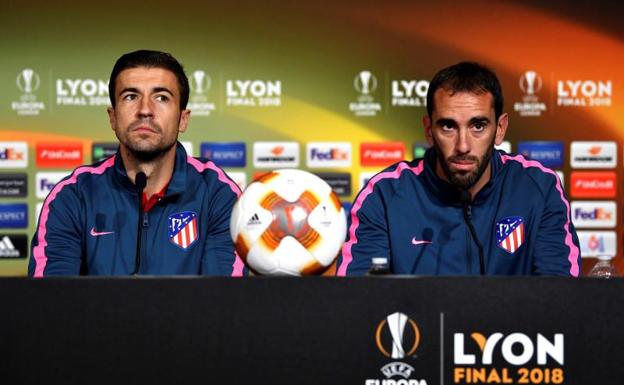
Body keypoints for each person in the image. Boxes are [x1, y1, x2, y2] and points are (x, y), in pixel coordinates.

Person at [337, 62, 581, 276]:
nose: (463, 146)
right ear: (428, 129)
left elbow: (558, 300)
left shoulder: (539, 188)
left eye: (478, 126)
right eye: (448, 127)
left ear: (500, 128)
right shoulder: (384, 196)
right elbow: (360, 304)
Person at [29, 50, 246, 276]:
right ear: (112, 116)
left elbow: (223, 302)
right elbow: (52, 302)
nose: (145, 110)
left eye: (161, 97)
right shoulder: (73, 196)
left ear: (183, 119)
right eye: (131, 96)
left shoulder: (217, 194)